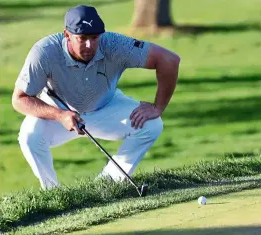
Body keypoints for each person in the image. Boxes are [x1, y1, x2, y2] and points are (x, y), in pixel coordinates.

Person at [12, 5, 180, 190]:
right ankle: (53, 192)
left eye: (94, 38)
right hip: (59, 112)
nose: (89, 45)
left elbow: (169, 60)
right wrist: (60, 115)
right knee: (29, 136)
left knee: (152, 125)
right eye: (82, 38)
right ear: (67, 35)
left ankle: (105, 185)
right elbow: (19, 99)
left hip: (106, 108)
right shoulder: (44, 51)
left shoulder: (114, 44)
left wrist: (158, 107)